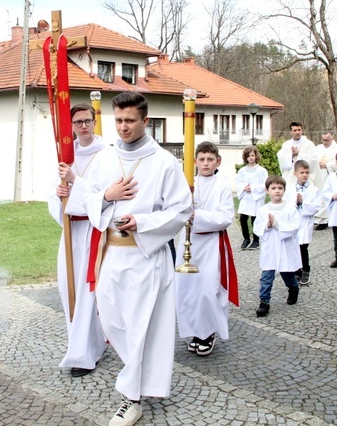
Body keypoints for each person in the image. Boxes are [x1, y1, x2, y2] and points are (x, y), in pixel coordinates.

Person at [75, 91, 192, 426]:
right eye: (118, 121)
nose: (123, 127)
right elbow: (87, 198)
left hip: (145, 257)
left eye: (130, 121)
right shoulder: (106, 158)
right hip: (111, 254)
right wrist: (107, 196)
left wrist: (143, 222)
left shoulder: (163, 163)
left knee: (141, 326)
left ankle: (131, 398)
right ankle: (137, 376)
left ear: (145, 120)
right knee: (113, 321)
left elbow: (181, 209)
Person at [50, 104, 107, 378]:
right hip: (70, 232)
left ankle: (84, 355)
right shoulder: (66, 155)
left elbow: (104, 195)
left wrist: (76, 183)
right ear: (71, 126)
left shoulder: (106, 154)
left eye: (87, 121)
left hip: (92, 232)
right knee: (66, 288)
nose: (83, 126)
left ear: (94, 122)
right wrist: (60, 192)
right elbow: (56, 199)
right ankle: (86, 344)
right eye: (77, 122)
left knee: (87, 293)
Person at [175, 141, 237, 357]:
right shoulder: (187, 182)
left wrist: (197, 216)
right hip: (188, 243)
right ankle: (194, 331)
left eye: (210, 159)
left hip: (211, 244)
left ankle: (208, 333)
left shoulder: (222, 184)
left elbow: (226, 216)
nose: (206, 163)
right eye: (201, 159)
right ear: (195, 161)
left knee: (207, 290)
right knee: (187, 290)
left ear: (218, 161)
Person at [253, 175, 301, 317]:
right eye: (273, 188)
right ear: (267, 191)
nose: (277, 191)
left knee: (287, 274)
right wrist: (267, 225)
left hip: (285, 246)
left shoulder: (290, 208)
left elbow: (294, 226)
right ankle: (264, 302)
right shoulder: (263, 210)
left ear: (284, 190)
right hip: (270, 247)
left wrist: (277, 224)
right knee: (267, 276)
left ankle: (293, 288)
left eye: (280, 188)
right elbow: (257, 228)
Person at [283, 160, 320, 285]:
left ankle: (306, 270)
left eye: (307, 172)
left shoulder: (314, 190)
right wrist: (296, 203)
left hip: (305, 223)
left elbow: (316, 206)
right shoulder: (289, 189)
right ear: (295, 173)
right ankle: (297, 270)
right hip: (294, 223)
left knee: (303, 247)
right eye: (302, 172)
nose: (304, 175)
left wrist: (304, 202)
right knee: (294, 247)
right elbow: (286, 205)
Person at [235, 145, 268, 250]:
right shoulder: (242, 171)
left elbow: (265, 184)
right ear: (246, 157)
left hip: (256, 198)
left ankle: (256, 240)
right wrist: (244, 188)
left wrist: (253, 188)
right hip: (246, 197)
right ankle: (246, 238)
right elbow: (238, 182)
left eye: (253, 155)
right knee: (243, 219)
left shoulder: (262, 170)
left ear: (256, 156)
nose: (251, 158)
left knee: (255, 219)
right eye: (248, 156)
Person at [312, 130, 337, 229]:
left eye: (327, 140)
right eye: (323, 140)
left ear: (332, 138)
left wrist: (327, 165)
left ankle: (325, 220)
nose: (325, 142)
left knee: (328, 197)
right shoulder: (317, 148)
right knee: (319, 197)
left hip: (331, 176)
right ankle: (319, 219)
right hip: (318, 176)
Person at [277, 121, 318, 187]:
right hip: (290, 176)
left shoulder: (309, 144)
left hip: (305, 176)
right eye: (295, 130)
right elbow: (281, 160)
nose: (297, 132)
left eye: (299, 130)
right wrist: (291, 155)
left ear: (302, 130)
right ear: (291, 132)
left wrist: (299, 154)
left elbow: (313, 160)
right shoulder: (286, 145)